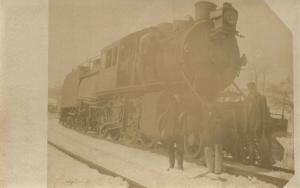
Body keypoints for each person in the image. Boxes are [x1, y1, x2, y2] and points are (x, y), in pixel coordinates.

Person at [241, 82, 271, 166]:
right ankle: (252, 158)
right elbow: (244, 113)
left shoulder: (261, 98)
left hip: (258, 124)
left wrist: (264, 124)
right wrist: (244, 125)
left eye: (252, 88)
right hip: (248, 125)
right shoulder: (247, 99)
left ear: (255, 88)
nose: (251, 90)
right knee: (250, 142)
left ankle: (263, 160)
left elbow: (264, 112)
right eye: (250, 88)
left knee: (259, 142)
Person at [162, 92, 184, 170]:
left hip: (179, 131)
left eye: (179, 95)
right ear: (175, 96)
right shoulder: (170, 105)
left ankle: (180, 165)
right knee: (170, 148)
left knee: (180, 149)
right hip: (170, 130)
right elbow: (166, 117)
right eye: (177, 95)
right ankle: (171, 164)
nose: (178, 97)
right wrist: (164, 129)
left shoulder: (183, 106)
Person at [203, 104, 223, 174]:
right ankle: (211, 168)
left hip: (216, 134)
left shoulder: (217, 113)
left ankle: (217, 169)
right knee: (208, 150)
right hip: (210, 134)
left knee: (217, 150)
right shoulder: (206, 113)